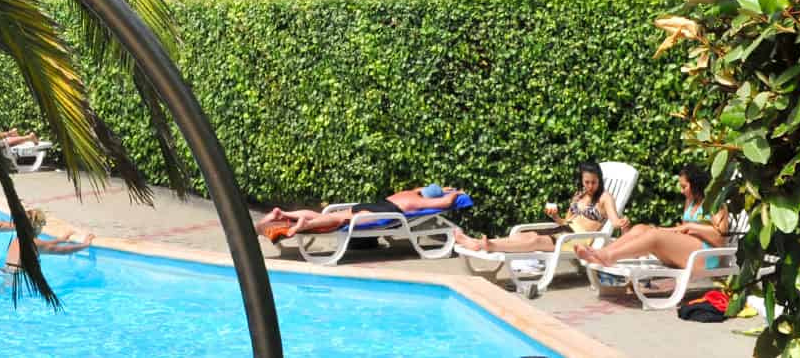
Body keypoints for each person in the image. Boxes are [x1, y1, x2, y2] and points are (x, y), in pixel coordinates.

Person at [453, 161, 625, 255]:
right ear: (581, 180)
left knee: (534, 242)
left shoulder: (605, 197)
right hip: (565, 230)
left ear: (599, 180)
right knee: (525, 235)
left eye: (594, 182)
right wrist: (555, 216)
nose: (590, 186)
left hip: (578, 239)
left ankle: (488, 245)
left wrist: (622, 223)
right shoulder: (578, 195)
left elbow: (615, 220)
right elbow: (565, 221)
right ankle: (476, 243)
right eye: (587, 182)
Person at [579, 163, 729, 270]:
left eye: (684, 187)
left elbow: (721, 236)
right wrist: (670, 229)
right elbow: (683, 231)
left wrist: (691, 226)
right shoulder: (690, 201)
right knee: (640, 228)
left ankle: (609, 256)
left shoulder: (715, 202)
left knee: (654, 235)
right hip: (687, 252)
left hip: (705, 257)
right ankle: (602, 252)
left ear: (696, 184)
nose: (681, 191)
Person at [254, 185, 466, 242]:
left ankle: (287, 214)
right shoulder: (419, 202)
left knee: (326, 215)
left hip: (372, 204)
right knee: (337, 219)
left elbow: (429, 190)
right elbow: (445, 202)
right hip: (384, 213)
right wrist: (456, 194)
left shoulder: (410, 192)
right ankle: (304, 225)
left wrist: (444, 188)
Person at [2, 209, 95, 271]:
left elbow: (43, 245)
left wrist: (60, 240)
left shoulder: (18, 239)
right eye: (43, 224)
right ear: (38, 226)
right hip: (18, 281)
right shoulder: (35, 244)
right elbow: (63, 251)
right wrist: (84, 245)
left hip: (6, 275)